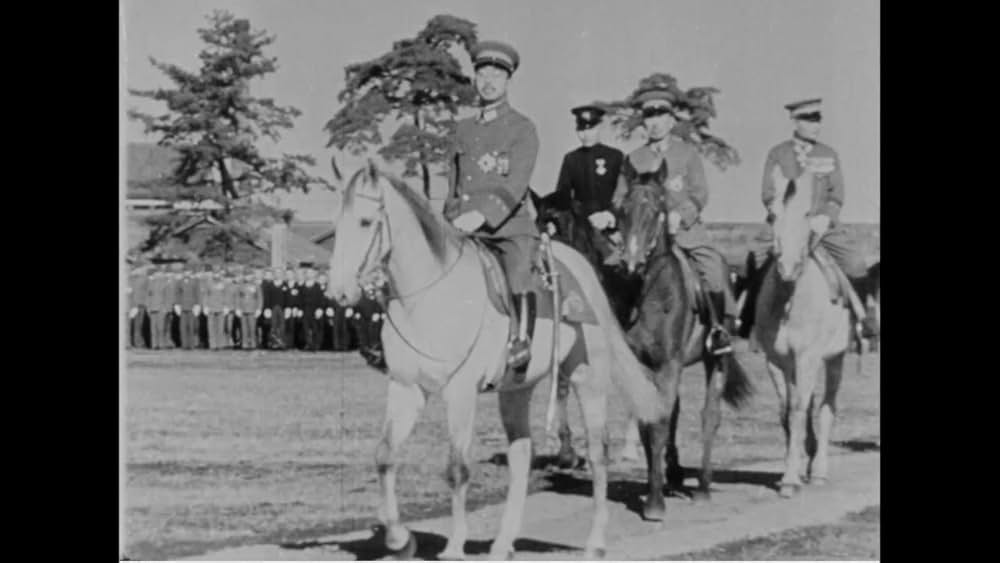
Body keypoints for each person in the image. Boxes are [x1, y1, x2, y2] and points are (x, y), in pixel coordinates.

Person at [610, 84, 737, 355]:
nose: (655, 123)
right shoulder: (634, 158)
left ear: (670, 120)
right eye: (649, 117)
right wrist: (631, 215)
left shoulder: (687, 153)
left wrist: (680, 215)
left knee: (714, 272)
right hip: (643, 239)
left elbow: (700, 193)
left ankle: (717, 330)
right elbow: (619, 198)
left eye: (661, 117)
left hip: (685, 235)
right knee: (611, 274)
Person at [443, 39, 541, 374]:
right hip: (463, 229)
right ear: (474, 79)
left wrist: (482, 215)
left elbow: (516, 184)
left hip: (507, 229)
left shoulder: (522, 129)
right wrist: (451, 217)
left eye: (496, 75)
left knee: (517, 272)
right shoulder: (462, 129)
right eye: (482, 73)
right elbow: (453, 184)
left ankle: (521, 341)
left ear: (508, 81)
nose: (488, 81)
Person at [760, 98, 879, 338]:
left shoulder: (828, 154)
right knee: (757, 262)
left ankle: (862, 318)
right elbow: (768, 192)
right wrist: (778, 212)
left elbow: (837, 194)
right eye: (808, 119)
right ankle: (751, 323)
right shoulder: (778, 153)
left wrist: (826, 217)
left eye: (817, 119)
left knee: (855, 263)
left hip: (822, 228)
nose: (815, 125)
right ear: (795, 121)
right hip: (788, 227)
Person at [541, 103, 625, 267]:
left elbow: (623, 193)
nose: (586, 134)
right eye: (582, 130)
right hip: (581, 227)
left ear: (600, 127)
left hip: (610, 227)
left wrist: (611, 218)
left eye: (591, 129)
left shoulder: (615, 156)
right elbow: (562, 194)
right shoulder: (571, 159)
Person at [176, 270, 200, 350]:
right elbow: (178, 294)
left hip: (192, 307)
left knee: (191, 327)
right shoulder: (180, 282)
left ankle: (191, 345)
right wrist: (177, 304)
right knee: (183, 327)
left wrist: (197, 305)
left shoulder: (194, 282)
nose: (187, 273)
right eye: (185, 272)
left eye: (188, 272)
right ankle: (184, 345)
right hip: (182, 307)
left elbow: (197, 293)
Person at [238, 273, 262, 350]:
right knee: (244, 328)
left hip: (252, 309)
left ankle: (253, 343)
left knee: (252, 328)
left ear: (252, 276)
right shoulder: (241, 285)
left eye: (249, 275)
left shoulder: (256, 285)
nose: (247, 277)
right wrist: (238, 308)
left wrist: (259, 308)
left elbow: (260, 297)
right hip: (243, 309)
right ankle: (245, 344)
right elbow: (238, 297)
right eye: (246, 275)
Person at [128, 266, 150, 349]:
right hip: (137, 304)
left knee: (138, 325)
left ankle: (137, 342)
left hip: (139, 304)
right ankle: (137, 342)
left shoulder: (134, 278)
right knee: (137, 325)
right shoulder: (135, 279)